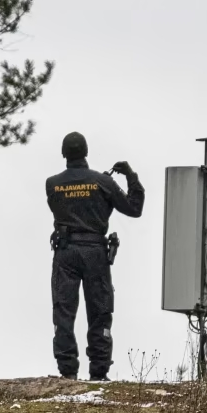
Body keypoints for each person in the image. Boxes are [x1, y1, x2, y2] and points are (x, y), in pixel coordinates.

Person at [45, 132, 144, 380]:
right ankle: (99, 371)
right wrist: (131, 177)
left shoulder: (52, 183)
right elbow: (134, 208)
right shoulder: (103, 182)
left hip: (65, 251)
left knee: (64, 310)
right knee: (99, 310)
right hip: (95, 252)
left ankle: (67, 370)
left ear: (63, 153)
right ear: (86, 152)